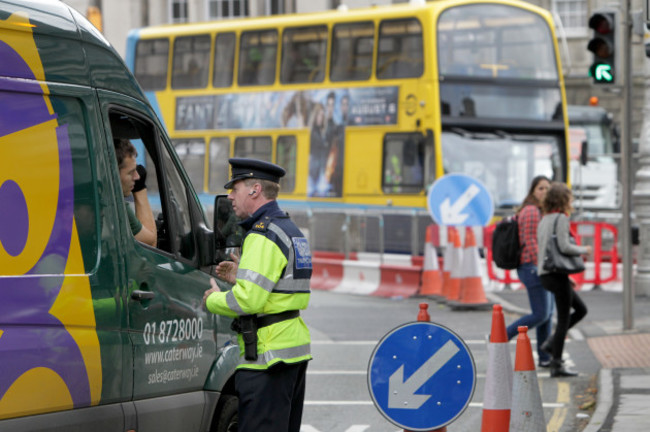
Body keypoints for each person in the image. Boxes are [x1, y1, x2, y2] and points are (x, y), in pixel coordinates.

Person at [202, 158, 312, 432]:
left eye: (235, 188)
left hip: (267, 358)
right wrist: (242, 274)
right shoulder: (289, 229)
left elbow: (247, 301)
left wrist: (212, 299)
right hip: (291, 353)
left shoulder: (262, 235)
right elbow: (281, 285)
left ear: (254, 190)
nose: (230, 196)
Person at [537, 182, 591, 377]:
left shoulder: (544, 219)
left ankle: (551, 344)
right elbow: (564, 246)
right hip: (556, 274)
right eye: (569, 197)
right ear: (563, 199)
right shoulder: (560, 218)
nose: (572, 200)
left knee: (581, 309)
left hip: (547, 274)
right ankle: (557, 364)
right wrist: (584, 249)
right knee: (563, 320)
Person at [505, 175, 553, 367]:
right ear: (533, 191)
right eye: (540, 188)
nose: (544, 192)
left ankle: (545, 357)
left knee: (547, 315)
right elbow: (530, 242)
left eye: (547, 188)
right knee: (540, 314)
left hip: (536, 266)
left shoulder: (540, 210)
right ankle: (500, 336)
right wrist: (542, 266)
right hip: (532, 267)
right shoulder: (532, 211)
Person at [113, 138, 157, 247]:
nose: (137, 176)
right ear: (113, 175)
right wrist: (140, 188)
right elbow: (150, 245)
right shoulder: (115, 205)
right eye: (131, 172)